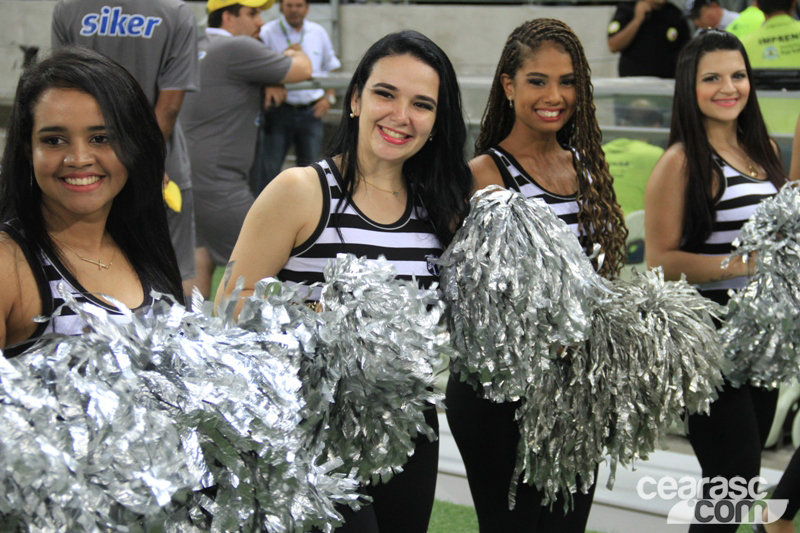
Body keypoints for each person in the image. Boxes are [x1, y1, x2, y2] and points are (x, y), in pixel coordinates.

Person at [218, 30, 472, 532]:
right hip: (313, 431)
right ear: (355, 99)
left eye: (421, 104)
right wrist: (321, 321)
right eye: (385, 94)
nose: (401, 115)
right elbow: (233, 306)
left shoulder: (441, 207)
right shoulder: (302, 190)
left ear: (437, 123)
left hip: (409, 433)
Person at [447, 18, 628, 533]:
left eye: (567, 81)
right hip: (500, 397)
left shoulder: (587, 169)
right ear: (508, 85)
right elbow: (471, 300)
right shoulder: (483, 174)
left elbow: (601, 280)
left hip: (577, 392)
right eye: (537, 81)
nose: (555, 95)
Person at [645, 29, 787, 533]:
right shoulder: (680, 162)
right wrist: (745, 264)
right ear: (690, 86)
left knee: (740, 483)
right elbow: (659, 262)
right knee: (735, 476)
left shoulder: (764, 150)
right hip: (709, 337)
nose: (729, 87)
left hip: (762, 339)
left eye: (737, 75)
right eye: (712, 78)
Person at [0, 47, 184, 357]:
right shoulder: (8, 263)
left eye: (101, 138)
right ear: (29, 150)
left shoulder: (142, 245)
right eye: (54, 140)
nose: (79, 159)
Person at [52, 0, 200, 295]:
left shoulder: (68, 8)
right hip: (158, 166)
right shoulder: (176, 12)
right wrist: (141, 162)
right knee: (172, 275)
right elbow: (168, 107)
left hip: (85, 166)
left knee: (81, 272)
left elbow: (60, 89)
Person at [180, 0, 312, 299]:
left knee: (199, 258)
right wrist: (293, 53)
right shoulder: (237, 48)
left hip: (187, 175)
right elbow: (303, 69)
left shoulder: (196, 44)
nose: (260, 23)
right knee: (264, 275)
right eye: (252, 14)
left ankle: (192, 338)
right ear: (227, 17)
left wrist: (264, 77)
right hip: (220, 182)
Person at [251, 0, 341, 194]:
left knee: (312, 172)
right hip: (278, 111)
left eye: (299, 5)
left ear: (307, 8)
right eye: (289, 5)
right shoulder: (266, 32)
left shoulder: (318, 32)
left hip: (311, 112)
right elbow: (256, 68)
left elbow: (331, 67)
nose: (294, 10)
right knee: (268, 171)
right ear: (281, 7)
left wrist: (328, 98)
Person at [608, 0, 691, 78]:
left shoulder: (676, 14)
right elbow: (613, 45)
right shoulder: (628, 9)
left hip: (666, 85)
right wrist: (637, 20)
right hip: (632, 83)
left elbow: (687, 54)